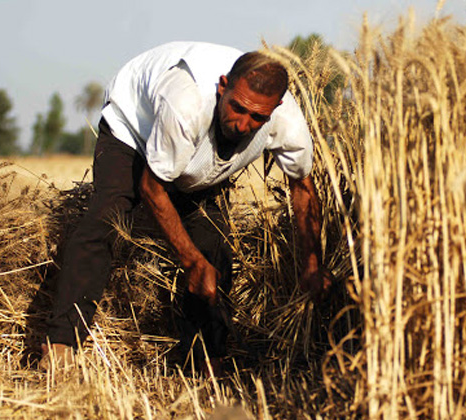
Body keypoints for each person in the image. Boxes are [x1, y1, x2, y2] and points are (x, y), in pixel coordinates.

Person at [41, 41, 333, 374]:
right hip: (134, 129)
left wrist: (312, 262)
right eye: (237, 108)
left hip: (192, 153)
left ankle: (205, 358)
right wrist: (190, 260)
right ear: (223, 86)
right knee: (108, 216)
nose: (242, 124)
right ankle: (61, 343)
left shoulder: (286, 121)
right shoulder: (186, 101)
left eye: (257, 117)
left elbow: (303, 188)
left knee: (214, 246)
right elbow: (152, 187)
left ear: (275, 108)